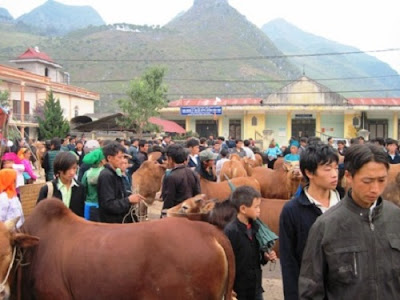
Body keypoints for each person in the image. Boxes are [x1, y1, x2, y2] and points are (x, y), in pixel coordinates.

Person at [299, 144, 400, 299]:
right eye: (367, 181)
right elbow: (311, 289)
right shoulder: (326, 226)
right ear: (348, 176)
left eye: (381, 180)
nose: (375, 188)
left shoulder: (396, 218)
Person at [279, 144, 340, 300]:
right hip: (310, 293)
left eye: (336, 168)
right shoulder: (292, 211)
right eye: (327, 169)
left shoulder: (346, 206)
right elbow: (289, 262)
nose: (334, 174)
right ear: (309, 172)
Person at [224, 186, 277, 300]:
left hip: (255, 288)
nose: (259, 210)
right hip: (239, 290)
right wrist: (228, 288)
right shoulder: (231, 232)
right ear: (243, 209)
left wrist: (265, 257)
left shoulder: (256, 227)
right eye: (256, 207)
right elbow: (226, 262)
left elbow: (256, 256)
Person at [97, 142, 145, 223]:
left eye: (123, 157)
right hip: (112, 223)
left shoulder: (115, 173)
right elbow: (108, 204)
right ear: (109, 158)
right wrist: (128, 200)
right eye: (119, 157)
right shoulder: (106, 175)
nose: (122, 160)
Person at [37, 151, 85, 217]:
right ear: (59, 170)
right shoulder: (48, 189)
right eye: (68, 169)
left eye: (74, 168)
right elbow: (39, 213)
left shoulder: (80, 188)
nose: (72, 172)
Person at [161, 144, 201, 213]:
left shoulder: (171, 176)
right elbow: (198, 195)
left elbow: (169, 199)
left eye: (167, 159)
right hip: (190, 212)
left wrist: (164, 213)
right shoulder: (193, 173)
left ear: (170, 159)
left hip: (177, 213)